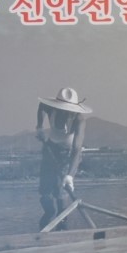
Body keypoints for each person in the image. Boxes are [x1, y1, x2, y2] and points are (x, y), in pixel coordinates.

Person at [36, 87, 91, 230]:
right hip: (50, 149)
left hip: (68, 155)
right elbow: (41, 106)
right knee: (45, 193)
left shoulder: (79, 119)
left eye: (68, 110)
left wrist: (70, 176)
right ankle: (47, 219)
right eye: (62, 109)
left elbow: (76, 150)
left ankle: (62, 224)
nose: (65, 112)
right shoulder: (51, 109)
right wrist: (39, 127)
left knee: (61, 195)